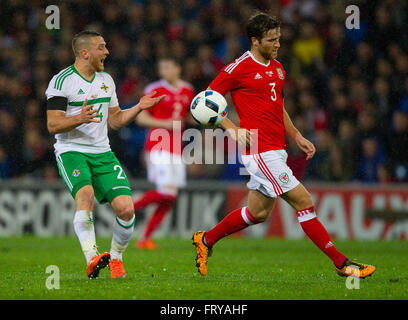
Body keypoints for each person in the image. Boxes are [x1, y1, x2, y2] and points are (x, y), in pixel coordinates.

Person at [192, 13, 376, 278]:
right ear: (255, 41)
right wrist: (232, 129)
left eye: (279, 38)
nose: (278, 44)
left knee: (258, 212)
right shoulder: (238, 68)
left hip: (276, 147)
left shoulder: (277, 68)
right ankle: (341, 263)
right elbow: (204, 101)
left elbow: (277, 107)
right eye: (272, 40)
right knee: (304, 201)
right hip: (259, 150)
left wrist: (297, 135)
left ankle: (206, 240)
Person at [45, 31, 164, 279]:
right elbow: (53, 125)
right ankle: (92, 258)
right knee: (85, 196)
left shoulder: (106, 80)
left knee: (126, 209)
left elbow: (117, 120)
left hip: (103, 152)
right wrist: (80, 117)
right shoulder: (61, 81)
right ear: (85, 52)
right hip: (71, 151)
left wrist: (139, 107)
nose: (107, 52)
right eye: (101, 47)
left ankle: (116, 258)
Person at [133, 57, 195, 249]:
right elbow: (141, 118)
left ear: (178, 68)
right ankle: (126, 207)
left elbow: (188, 116)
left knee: (170, 196)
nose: (163, 71)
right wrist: (164, 124)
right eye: (161, 68)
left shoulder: (188, 90)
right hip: (158, 144)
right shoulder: (154, 89)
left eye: (167, 66)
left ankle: (145, 239)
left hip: (177, 147)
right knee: (165, 192)